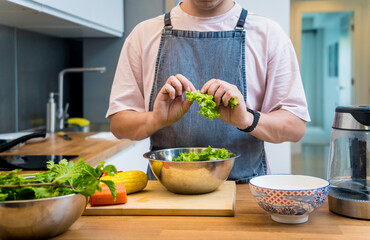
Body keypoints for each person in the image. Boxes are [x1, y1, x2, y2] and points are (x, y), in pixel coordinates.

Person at [106, 0, 310, 183]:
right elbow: (119, 125)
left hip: (245, 196)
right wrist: (155, 120)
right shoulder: (144, 34)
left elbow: (295, 127)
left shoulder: (268, 34)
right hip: (165, 193)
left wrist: (247, 119)